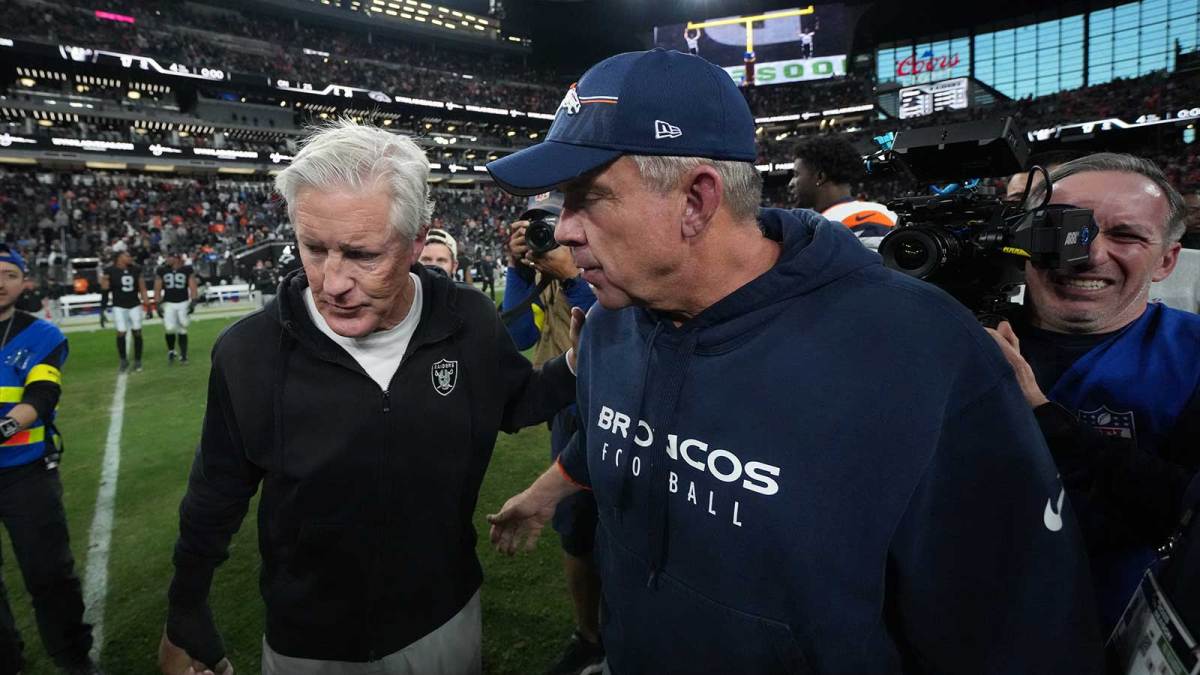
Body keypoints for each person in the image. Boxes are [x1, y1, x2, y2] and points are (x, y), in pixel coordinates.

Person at [485, 48, 1103, 674]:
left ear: (697, 201)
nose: (561, 229)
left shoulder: (922, 352)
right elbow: (619, 435)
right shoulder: (611, 323)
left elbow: (1022, 633)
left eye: (587, 197)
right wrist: (547, 491)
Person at [159, 120, 579, 675]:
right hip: (306, 643)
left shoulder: (467, 319)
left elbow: (517, 402)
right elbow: (216, 494)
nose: (332, 281)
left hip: (444, 619)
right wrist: (185, 609)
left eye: (362, 255)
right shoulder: (249, 353)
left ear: (415, 242)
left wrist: (585, 358)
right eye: (313, 248)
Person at [984, 153, 1200, 632]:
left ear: (1166, 260)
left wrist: (1038, 415)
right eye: (1063, 226)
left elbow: (1183, 513)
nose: (1087, 253)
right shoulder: (955, 339)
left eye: (1125, 235)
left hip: (1114, 631)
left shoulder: (1193, 357)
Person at [501, 192, 602, 675]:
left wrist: (571, 276)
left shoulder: (602, 260)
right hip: (565, 406)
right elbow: (517, 338)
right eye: (532, 227)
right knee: (576, 530)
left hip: (612, 405)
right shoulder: (541, 274)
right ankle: (588, 634)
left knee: (626, 524)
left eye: (547, 222)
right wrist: (519, 272)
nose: (543, 235)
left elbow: (610, 332)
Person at [0, 245, 100, 675]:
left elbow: (41, 396)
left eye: (8, 274)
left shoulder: (41, 335)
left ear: (24, 283)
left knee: (49, 573)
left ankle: (73, 659)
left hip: (25, 471)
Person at [787, 135, 896, 250]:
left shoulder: (867, 217)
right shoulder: (880, 210)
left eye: (796, 175)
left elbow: (877, 267)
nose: (790, 184)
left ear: (820, 177)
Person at [100, 251, 148, 372]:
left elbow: (142, 288)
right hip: (119, 306)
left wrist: (147, 304)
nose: (130, 257)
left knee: (137, 331)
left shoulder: (136, 269)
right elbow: (104, 290)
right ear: (119, 258)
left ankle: (137, 361)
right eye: (127, 256)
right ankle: (123, 360)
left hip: (134, 304)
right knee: (121, 332)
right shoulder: (109, 271)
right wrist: (102, 309)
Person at [153, 250, 198, 365]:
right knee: (169, 329)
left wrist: (193, 300)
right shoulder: (162, 270)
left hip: (183, 302)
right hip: (168, 303)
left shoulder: (187, 269)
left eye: (170, 257)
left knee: (182, 328)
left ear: (176, 258)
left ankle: (183, 355)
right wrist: (157, 303)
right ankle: (171, 351)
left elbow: (192, 285)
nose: (167, 259)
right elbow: (157, 287)